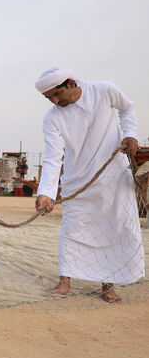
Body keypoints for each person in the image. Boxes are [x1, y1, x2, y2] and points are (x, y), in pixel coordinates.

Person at [34, 67, 144, 303]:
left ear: (71, 83)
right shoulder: (52, 118)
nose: (54, 101)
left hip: (113, 176)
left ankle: (108, 286)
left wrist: (131, 134)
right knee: (72, 229)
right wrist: (45, 193)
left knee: (113, 228)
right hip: (78, 181)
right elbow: (53, 157)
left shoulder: (104, 91)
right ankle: (65, 282)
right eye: (48, 98)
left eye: (57, 94)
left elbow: (127, 108)